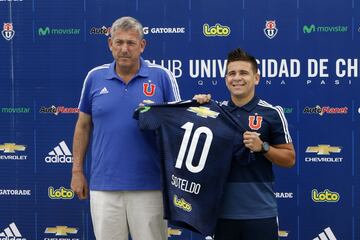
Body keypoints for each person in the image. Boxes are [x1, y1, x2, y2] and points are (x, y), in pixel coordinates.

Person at [70, 16, 181, 240]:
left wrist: (158, 118)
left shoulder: (162, 77)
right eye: (118, 42)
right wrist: (77, 171)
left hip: (151, 186)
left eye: (131, 43)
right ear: (110, 44)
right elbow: (82, 127)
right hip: (104, 186)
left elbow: (180, 125)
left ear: (142, 45)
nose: (124, 49)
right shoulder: (94, 77)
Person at [195, 48, 295, 240]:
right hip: (220, 214)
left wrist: (263, 147)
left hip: (260, 213)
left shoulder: (272, 113)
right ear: (225, 79)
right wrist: (197, 106)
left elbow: (289, 159)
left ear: (256, 78)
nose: (237, 78)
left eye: (243, 73)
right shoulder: (214, 112)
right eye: (231, 73)